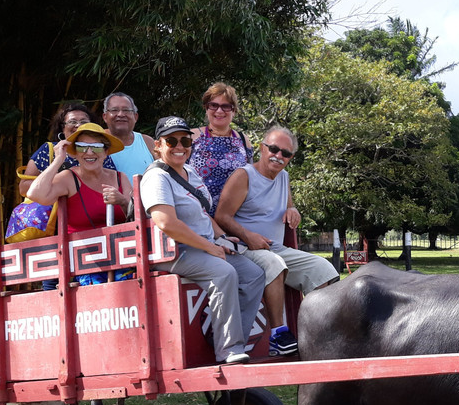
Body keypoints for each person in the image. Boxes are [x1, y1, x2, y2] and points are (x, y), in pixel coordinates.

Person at [140, 116, 265, 365]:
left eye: (185, 140)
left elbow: (202, 213)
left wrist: (220, 237)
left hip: (203, 246)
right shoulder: (156, 178)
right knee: (224, 273)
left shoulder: (190, 171)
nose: (179, 146)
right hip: (173, 251)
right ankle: (228, 349)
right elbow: (167, 223)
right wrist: (210, 247)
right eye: (171, 140)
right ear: (158, 145)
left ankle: (231, 336)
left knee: (253, 274)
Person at [215, 126, 339, 357]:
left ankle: (314, 332)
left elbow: (289, 204)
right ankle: (278, 335)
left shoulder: (284, 177)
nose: (279, 156)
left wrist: (293, 210)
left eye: (286, 153)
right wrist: (247, 236)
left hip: (275, 247)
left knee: (324, 269)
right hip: (242, 248)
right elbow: (221, 216)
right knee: (273, 263)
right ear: (262, 148)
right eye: (273, 149)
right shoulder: (244, 176)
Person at [24, 123, 135, 286]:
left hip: (121, 259)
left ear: (106, 152)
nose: (89, 152)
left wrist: (123, 201)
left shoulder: (120, 177)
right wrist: (58, 160)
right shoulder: (69, 177)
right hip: (84, 261)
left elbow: (135, 219)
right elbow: (35, 194)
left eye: (96, 147)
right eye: (82, 147)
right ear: (75, 153)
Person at [18, 103, 115, 197]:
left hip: (88, 209)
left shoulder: (99, 151)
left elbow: (113, 185)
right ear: (62, 128)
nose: (78, 125)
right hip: (50, 210)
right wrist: (59, 181)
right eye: (72, 122)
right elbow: (23, 188)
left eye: (84, 122)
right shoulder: (48, 150)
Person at [188, 82, 253, 215]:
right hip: (200, 215)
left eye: (226, 106)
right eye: (213, 105)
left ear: (233, 111)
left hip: (237, 216)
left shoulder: (242, 139)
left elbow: (252, 179)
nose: (219, 111)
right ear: (206, 108)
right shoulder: (191, 137)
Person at [101, 91, 157, 176]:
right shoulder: (97, 141)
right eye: (114, 110)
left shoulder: (147, 142)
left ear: (135, 117)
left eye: (126, 110)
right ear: (105, 117)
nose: (120, 114)